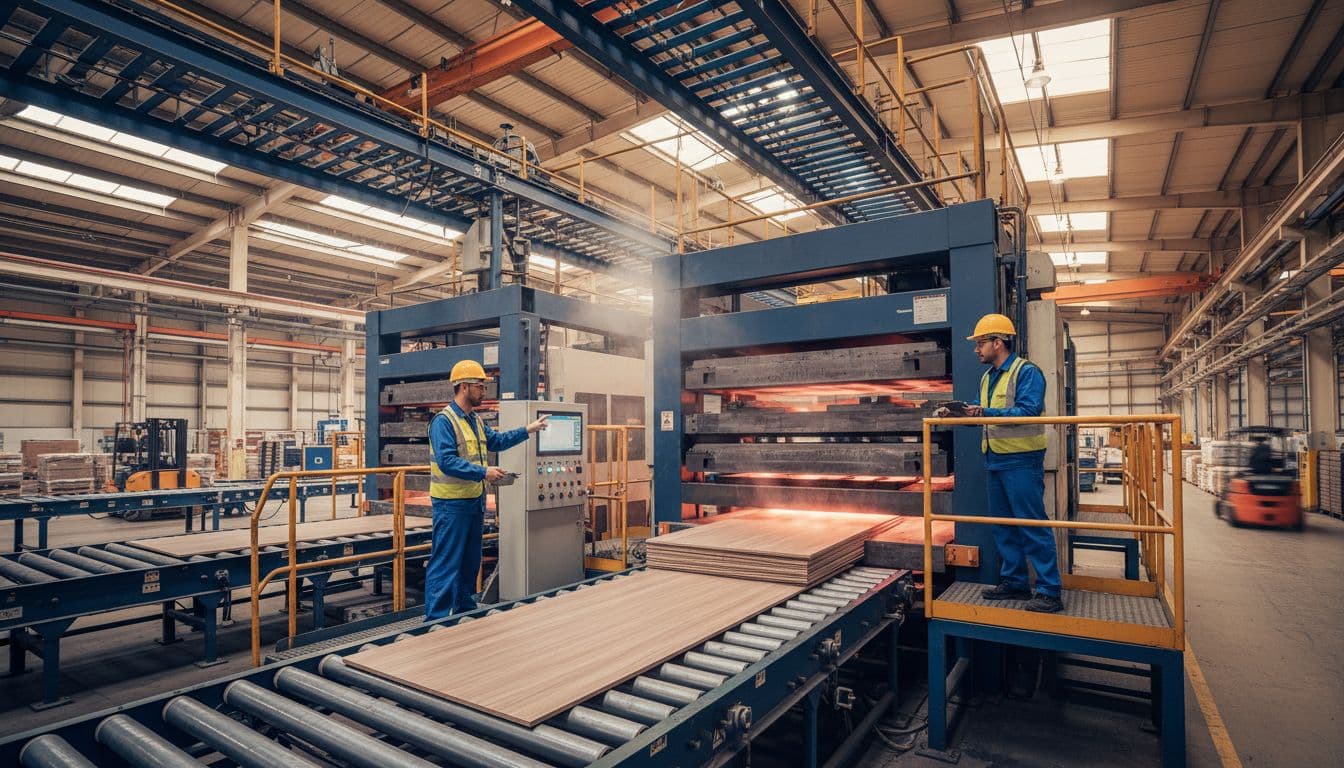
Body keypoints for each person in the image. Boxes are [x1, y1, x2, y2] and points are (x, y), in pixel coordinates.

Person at [937, 313, 1063, 613]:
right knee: (1003, 526)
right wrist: (962, 416)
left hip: (1021, 459)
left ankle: (1049, 590)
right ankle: (1015, 582)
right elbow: (988, 420)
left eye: (981, 343)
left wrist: (986, 413)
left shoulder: (1026, 372)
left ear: (999, 342)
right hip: (995, 459)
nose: (976, 350)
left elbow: (1028, 412)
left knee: (1031, 525)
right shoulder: (988, 377)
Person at [425, 360, 549, 620]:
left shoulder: (474, 420)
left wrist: (529, 429)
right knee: (446, 563)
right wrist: (484, 472)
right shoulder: (443, 422)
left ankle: (463, 614)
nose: (484, 391)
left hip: (473, 503)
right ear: (464, 387)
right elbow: (447, 462)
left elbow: (497, 441)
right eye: (480, 386)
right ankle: (434, 621)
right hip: (451, 506)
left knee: (469, 565)